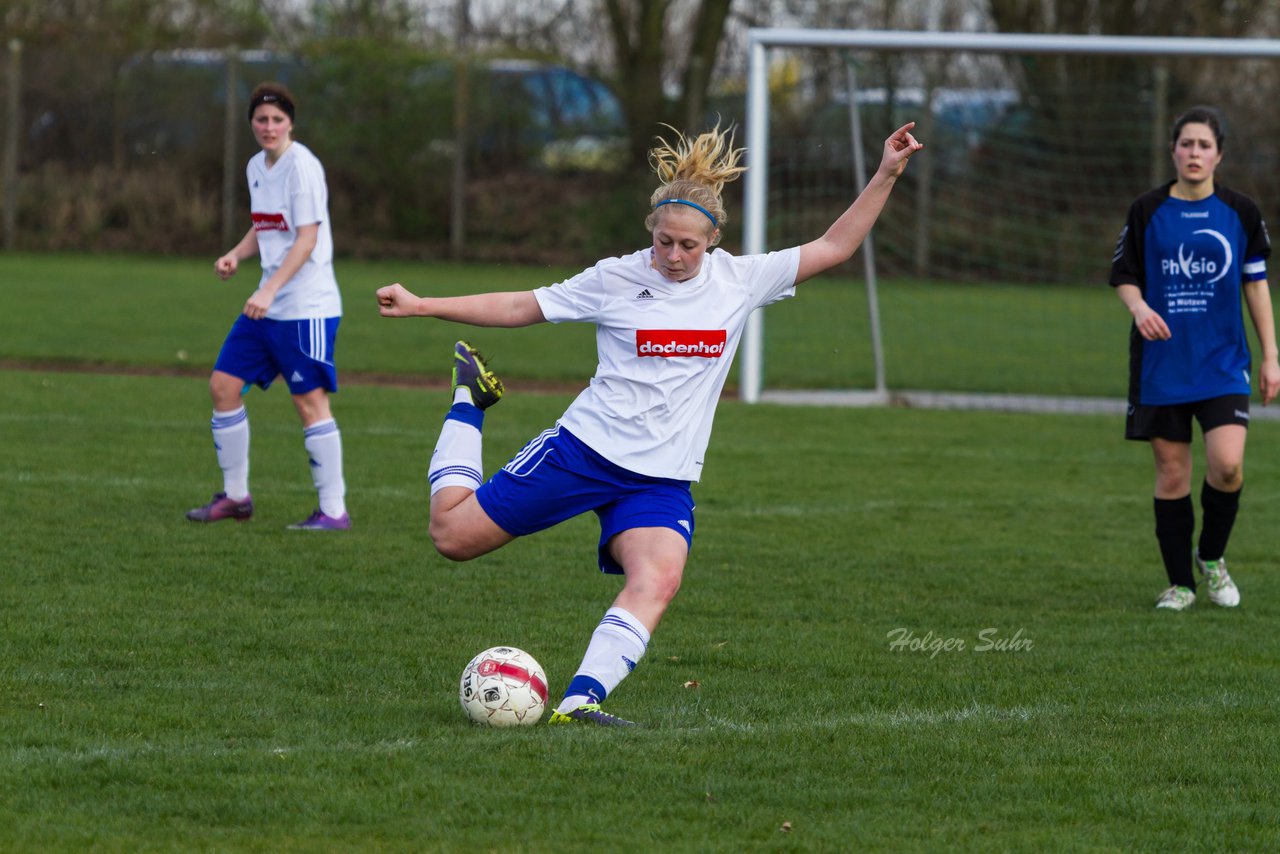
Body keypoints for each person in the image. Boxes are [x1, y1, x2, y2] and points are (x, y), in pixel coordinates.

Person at [378, 121, 922, 724]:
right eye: (664, 241)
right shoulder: (617, 277)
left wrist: (886, 174)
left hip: (661, 478)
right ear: (651, 231)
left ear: (714, 238)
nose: (673, 256)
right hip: (582, 452)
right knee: (453, 539)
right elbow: (522, 305)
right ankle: (468, 402)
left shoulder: (739, 281)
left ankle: (580, 704)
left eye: (688, 245)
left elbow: (834, 247)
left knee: (658, 579)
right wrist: (424, 304)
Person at [1110, 105, 1278, 611]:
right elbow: (1124, 274)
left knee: (1227, 466)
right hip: (1163, 364)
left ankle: (1211, 556)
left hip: (1223, 362)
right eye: (1187, 144)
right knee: (1172, 474)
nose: (1195, 153)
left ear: (1219, 153)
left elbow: (1256, 284)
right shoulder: (1147, 209)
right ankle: (1181, 584)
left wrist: (1271, 355)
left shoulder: (1241, 212)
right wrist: (1139, 308)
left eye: (1204, 145)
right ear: (1173, 151)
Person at [186, 82, 350, 530]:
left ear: (290, 123)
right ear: (251, 124)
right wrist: (236, 255)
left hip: (305, 308)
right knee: (223, 386)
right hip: (267, 305)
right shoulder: (257, 166)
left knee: (309, 404)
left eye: (278, 119)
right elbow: (266, 227)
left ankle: (333, 511)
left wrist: (268, 290)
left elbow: (307, 238)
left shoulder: (303, 168)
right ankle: (236, 498)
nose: (269, 127)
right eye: (261, 120)